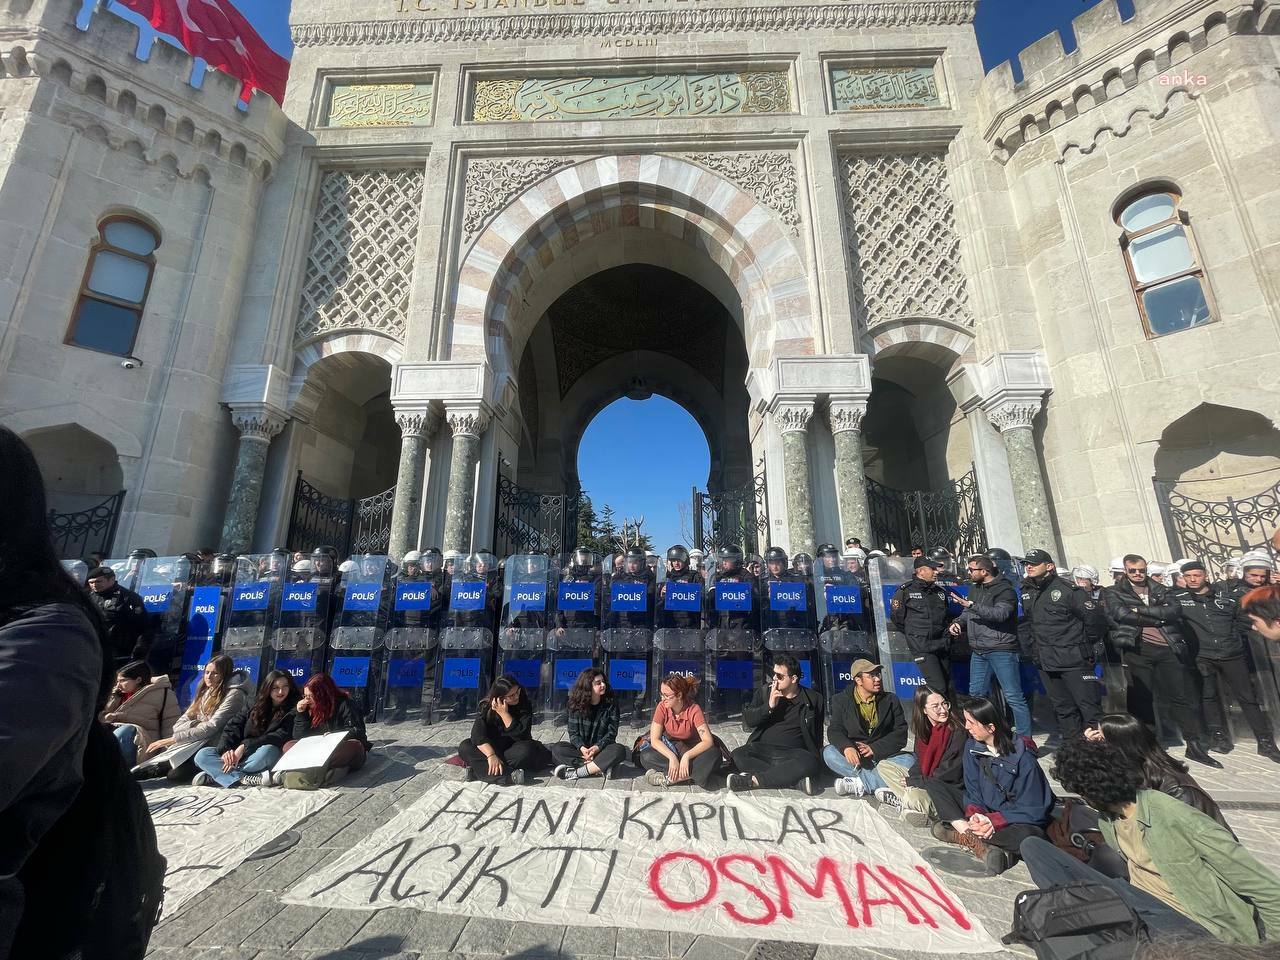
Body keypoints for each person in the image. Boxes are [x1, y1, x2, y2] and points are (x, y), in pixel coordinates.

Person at [1025, 737, 1280, 945]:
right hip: (1139, 903)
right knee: (1033, 848)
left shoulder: (1173, 814)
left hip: (1192, 923)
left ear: (1090, 791)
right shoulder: (1108, 821)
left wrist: (1268, 949)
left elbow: (1263, 887)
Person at [1104, 553, 1220, 768]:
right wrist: (1159, 615)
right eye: (1133, 571)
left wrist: (1140, 610)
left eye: (1141, 570)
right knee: (1142, 699)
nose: (1138, 574)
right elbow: (1121, 614)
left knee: (1181, 697)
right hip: (1138, 648)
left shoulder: (1160, 588)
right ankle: (1148, 747)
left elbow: (1175, 611)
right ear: (1125, 571)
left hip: (1168, 647)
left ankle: (1193, 744)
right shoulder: (1113, 591)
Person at [929, 696, 1054, 875]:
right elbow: (972, 788)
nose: (966, 727)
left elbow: (1035, 810)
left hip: (1014, 820)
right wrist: (975, 815)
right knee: (935, 786)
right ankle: (980, 840)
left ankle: (965, 836)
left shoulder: (1024, 760)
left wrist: (994, 821)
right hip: (985, 811)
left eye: (971, 723)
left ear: (991, 727)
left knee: (1030, 838)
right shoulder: (972, 747)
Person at [1173, 561, 1280, 761]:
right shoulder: (1177, 599)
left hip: (1231, 653)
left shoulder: (1225, 595)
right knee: (1209, 696)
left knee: (1248, 697)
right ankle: (1218, 736)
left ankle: (1265, 741)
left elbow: (1241, 619)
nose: (1193, 579)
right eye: (1188, 576)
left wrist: (1233, 638)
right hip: (1202, 655)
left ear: (1205, 575)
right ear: (1183, 578)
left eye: (1197, 575)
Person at [1084, 713, 1231, 831]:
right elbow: (1100, 803)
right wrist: (1089, 754)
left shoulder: (1176, 788)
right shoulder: (1125, 770)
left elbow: (1203, 837)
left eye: (1101, 740)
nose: (1098, 744)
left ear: (1121, 746)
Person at [1018, 549, 1105, 740]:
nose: (1029, 566)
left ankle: (1098, 752)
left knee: (1089, 709)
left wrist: (1083, 644)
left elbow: (1094, 620)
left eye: (1034, 563)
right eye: (1026, 564)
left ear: (1049, 566)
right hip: (1045, 659)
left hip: (1073, 658)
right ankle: (1073, 749)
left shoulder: (1068, 590)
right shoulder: (1027, 591)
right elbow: (1029, 624)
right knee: (1063, 709)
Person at [132, 655, 248, 781]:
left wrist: (173, 739)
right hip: (195, 740)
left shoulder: (234, 694)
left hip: (216, 743)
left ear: (224, 675)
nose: (208, 676)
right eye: (207, 672)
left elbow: (212, 727)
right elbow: (180, 722)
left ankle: (210, 774)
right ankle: (149, 772)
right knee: (166, 763)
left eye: (215, 673)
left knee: (175, 774)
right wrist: (196, 724)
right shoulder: (206, 691)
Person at [950, 554, 1030, 738]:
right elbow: (967, 612)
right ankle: (983, 733)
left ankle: (1025, 740)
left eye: (972, 569)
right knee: (976, 694)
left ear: (984, 571)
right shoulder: (975, 589)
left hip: (1001, 649)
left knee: (1013, 697)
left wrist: (972, 605)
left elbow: (1000, 614)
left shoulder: (1005, 590)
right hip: (979, 650)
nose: (969, 573)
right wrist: (958, 623)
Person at [728, 653, 825, 795]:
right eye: (773, 674)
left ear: (793, 679)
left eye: (779, 676)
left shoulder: (814, 699)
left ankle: (753, 781)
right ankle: (793, 781)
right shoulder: (765, 692)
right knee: (737, 756)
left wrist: (817, 760)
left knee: (809, 762)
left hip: (793, 754)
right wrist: (769, 707)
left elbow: (817, 734)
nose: (774, 679)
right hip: (762, 750)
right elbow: (749, 721)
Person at [874, 686, 967, 827]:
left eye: (944, 703)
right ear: (924, 710)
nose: (943, 710)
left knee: (913, 796)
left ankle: (908, 802)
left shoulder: (957, 730)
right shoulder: (924, 730)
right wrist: (912, 779)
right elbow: (919, 761)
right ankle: (908, 803)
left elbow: (949, 773)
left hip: (946, 790)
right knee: (884, 766)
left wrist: (916, 781)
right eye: (935, 706)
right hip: (926, 780)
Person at [192, 669, 300, 787]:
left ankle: (216, 774)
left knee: (268, 752)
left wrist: (244, 747)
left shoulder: (293, 708)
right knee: (202, 755)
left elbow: (279, 736)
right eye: (275, 687)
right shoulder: (254, 702)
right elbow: (234, 725)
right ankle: (244, 777)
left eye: (285, 686)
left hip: (259, 754)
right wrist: (225, 750)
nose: (281, 691)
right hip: (239, 755)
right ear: (268, 688)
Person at [823, 659, 911, 797]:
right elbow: (835, 729)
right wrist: (847, 747)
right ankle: (882, 781)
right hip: (857, 758)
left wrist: (874, 748)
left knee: (910, 760)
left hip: (883, 757)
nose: (877, 679)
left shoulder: (891, 700)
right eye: (871, 676)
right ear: (858, 680)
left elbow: (901, 734)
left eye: (878, 675)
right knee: (829, 753)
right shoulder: (840, 700)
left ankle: (860, 784)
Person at [281, 672, 373, 788]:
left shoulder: (345, 704)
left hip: (337, 747)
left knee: (355, 747)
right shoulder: (307, 707)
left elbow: (358, 730)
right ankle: (326, 769)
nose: (307, 700)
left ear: (322, 695)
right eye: (305, 696)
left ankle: (311, 767)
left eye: (310, 696)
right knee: (288, 746)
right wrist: (301, 714)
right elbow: (299, 737)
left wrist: (335, 736)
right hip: (317, 749)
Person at [457, 675, 550, 785]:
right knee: (465, 747)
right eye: (511, 695)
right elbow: (477, 736)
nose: (516, 696)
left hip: (512, 750)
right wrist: (491, 755)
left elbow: (522, 736)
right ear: (500, 698)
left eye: (517, 692)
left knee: (527, 751)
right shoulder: (487, 706)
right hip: (492, 748)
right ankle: (508, 777)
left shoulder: (524, 704)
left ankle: (478, 771)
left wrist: (504, 714)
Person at [637, 673, 723, 788]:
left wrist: (687, 756)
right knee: (645, 756)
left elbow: (707, 741)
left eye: (667, 695)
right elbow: (655, 739)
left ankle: (673, 778)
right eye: (661, 694)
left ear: (679, 695)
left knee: (714, 755)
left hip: (693, 753)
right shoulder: (662, 707)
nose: (663, 698)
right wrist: (672, 757)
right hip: (672, 749)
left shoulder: (694, 709)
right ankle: (693, 774)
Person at [889, 556, 953, 693]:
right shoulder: (905, 591)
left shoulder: (939, 592)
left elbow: (945, 617)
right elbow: (897, 618)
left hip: (941, 644)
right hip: (922, 646)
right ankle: (929, 713)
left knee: (948, 686)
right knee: (938, 687)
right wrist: (915, 634)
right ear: (921, 571)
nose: (936, 572)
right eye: (933, 569)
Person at [100, 660, 178, 768]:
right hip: (111, 737)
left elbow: (170, 727)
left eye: (123, 681)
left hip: (141, 745)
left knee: (126, 730)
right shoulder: (116, 693)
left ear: (138, 679)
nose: (118, 685)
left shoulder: (163, 694)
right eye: (117, 681)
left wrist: (164, 759)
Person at [552, 668, 625, 781]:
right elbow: (573, 734)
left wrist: (597, 747)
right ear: (588, 687)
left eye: (603, 681)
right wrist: (582, 748)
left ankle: (578, 772)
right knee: (557, 749)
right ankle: (600, 767)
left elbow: (611, 733)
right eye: (598, 683)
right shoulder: (575, 704)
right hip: (582, 752)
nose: (603, 685)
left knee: (619, 750)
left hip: (602, 750)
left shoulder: (611, 704)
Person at [86, 565, 149, 666]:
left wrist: (139, 651)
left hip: (118, 652)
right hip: (92, 648)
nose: (94, 585)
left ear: (112, 579)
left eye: (98, 581)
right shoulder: (88, 597)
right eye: (91, 582)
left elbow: (143, 627)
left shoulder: (128, 598)